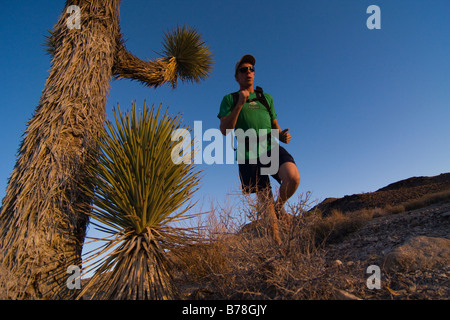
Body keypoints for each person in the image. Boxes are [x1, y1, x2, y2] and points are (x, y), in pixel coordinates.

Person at [217, 54, 300, 245]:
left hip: (270, 147)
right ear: (236, 77)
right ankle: (277, 245)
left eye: (251, 69)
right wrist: (239, 104)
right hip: (248, 154)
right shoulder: (229, 99)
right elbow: (224, 130)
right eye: (243, 69)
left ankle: (281, 207)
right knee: (265, 201)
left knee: (293, 177)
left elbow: (274, 126)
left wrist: (282, 135)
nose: (248, 72)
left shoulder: (266, 98)